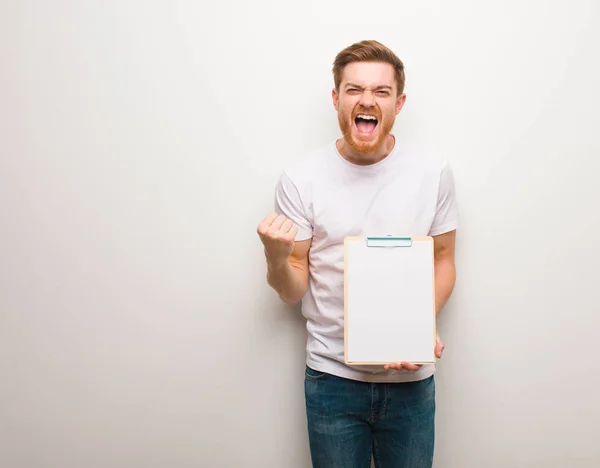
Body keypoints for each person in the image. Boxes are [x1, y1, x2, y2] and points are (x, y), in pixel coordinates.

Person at [256, 40, 458, 468]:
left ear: (399, 103)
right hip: (332, 379)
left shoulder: (432, 172)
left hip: (411, 380)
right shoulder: (300, 179)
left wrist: (420, 325)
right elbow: (293, 289)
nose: (367, 100)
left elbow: (443, 260)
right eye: (354, 89)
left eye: (381, 91)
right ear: (337, 98)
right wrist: (277, 258)